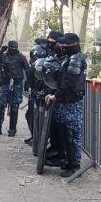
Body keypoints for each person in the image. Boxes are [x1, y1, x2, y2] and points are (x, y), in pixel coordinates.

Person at [45, 33, 87, 177]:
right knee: (65, 133)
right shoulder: (70, 58)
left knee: (72, 134)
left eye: (64, 44)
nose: (61, 46)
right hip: (67, 101)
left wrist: (55, 95)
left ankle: (74, 165)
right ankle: (69, 162)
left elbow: (68, 83)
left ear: (72, 44)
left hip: (72, 102)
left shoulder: (76, 59)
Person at [0, 40, 30, 137]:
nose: (13, 50)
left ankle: (12, 129)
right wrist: (1, 50)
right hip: (5, 83)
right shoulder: (3, 56)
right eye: (11, 48)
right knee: (0, 105)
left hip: (17, 84)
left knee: (14, 107)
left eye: (14, 48)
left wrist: (28, 82)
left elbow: (27, 69)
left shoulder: (21, 57)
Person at [24, 37, 49, 145]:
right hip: (34, 92)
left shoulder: (43, 64)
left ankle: (38, 139)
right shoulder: (35, 63)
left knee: (37, 117)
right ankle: (35, 137)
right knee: (31, 115)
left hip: (40, 93)